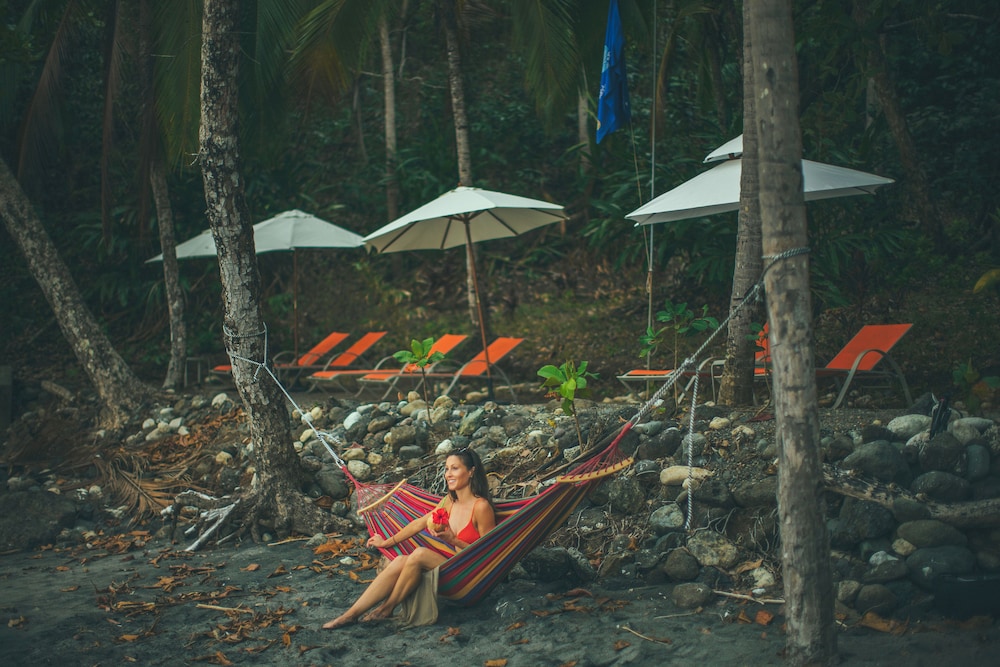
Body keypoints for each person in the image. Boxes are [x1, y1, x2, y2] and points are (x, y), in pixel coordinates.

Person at [322, 448, 496, 629]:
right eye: (446, 469)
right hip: (451, 569)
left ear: (471, 471)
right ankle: (350, 615)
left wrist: (453, 540)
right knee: (400, 560)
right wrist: (386, 542)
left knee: (420, 554)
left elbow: (489, 553)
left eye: (455, 468)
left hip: (470, 578)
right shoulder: (449, 502)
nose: (448, 474)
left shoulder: (481, 507)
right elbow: (419, 524)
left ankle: (386, 608)